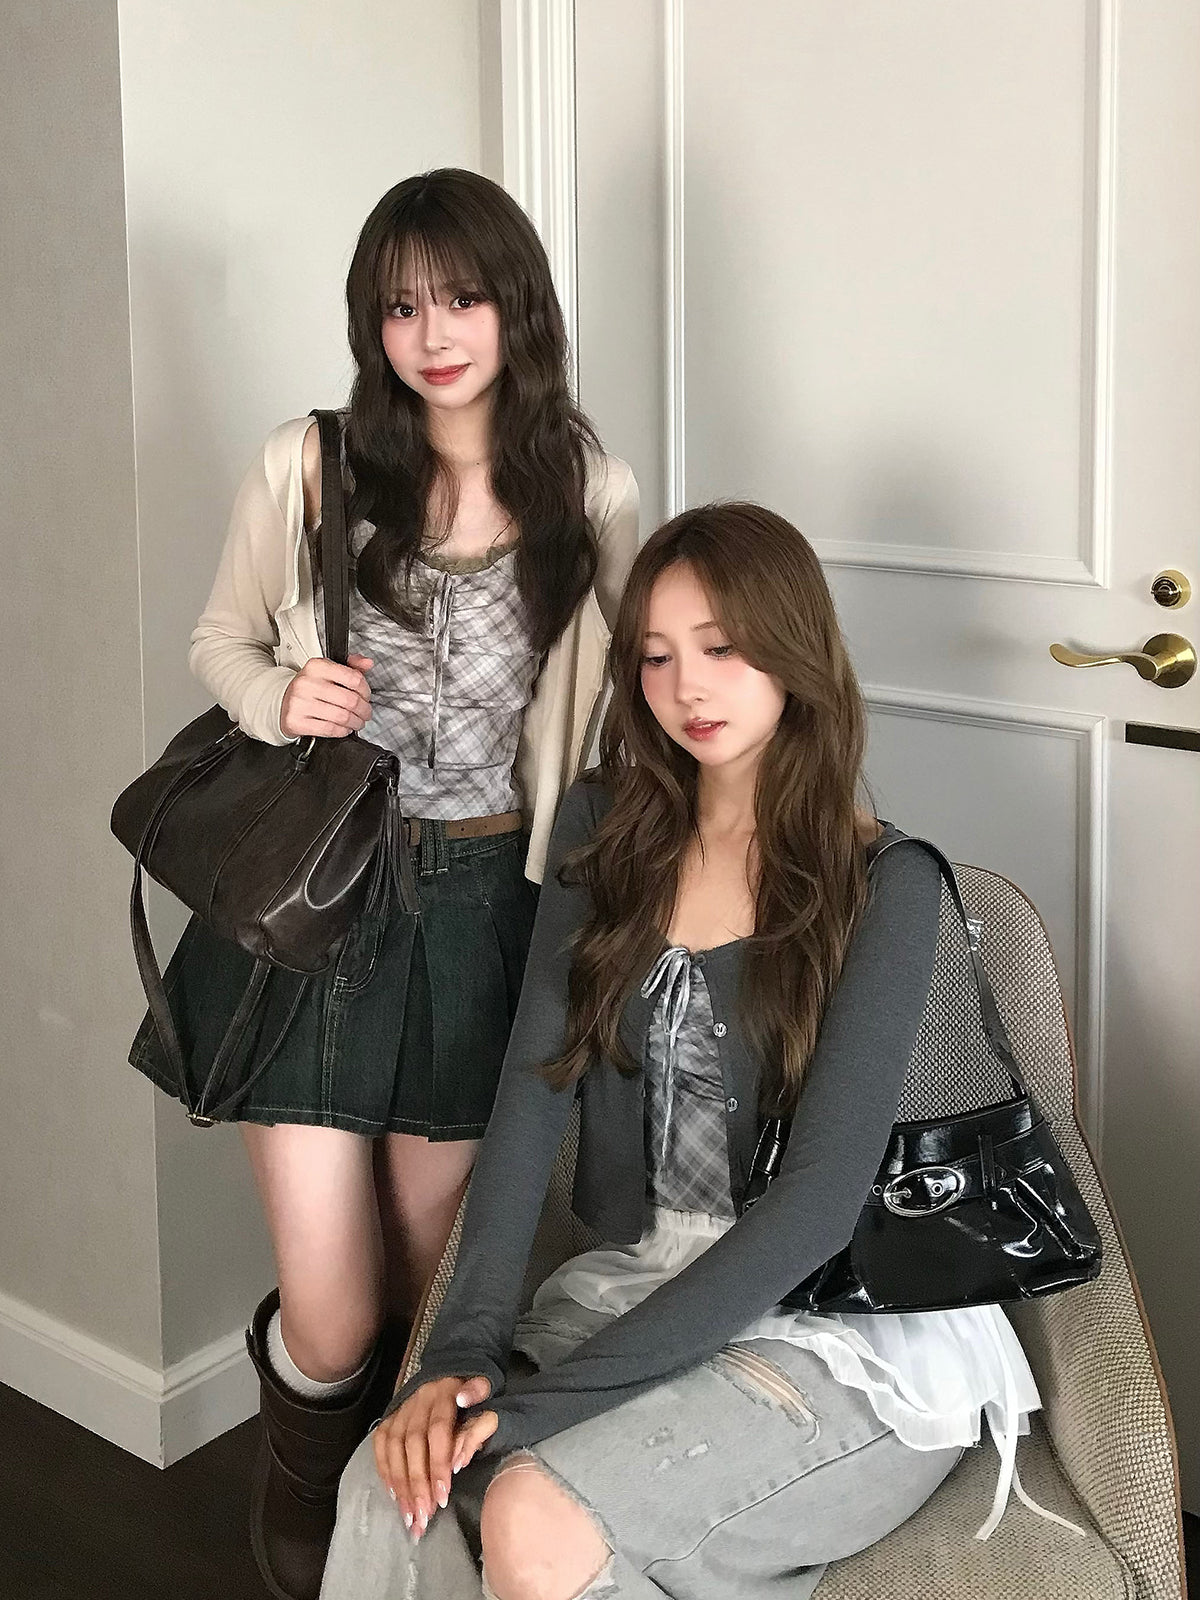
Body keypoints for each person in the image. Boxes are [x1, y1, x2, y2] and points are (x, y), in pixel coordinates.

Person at [319, 502, 1059, 1600]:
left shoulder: (887, 886)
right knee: (390, 1486)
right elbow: (533, 1094)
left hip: (840, 1325)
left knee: (530, 1510)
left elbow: (813, 1212)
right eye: (657, 656)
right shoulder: (603, 831)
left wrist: (530, 1413)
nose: (688, 688)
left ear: (794, 650)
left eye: (722, 647)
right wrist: (458, 1355)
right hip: (641, 1285)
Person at [126, 168, 638, 1600]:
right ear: (373, 325)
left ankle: (379, 1521)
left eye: (462, 297)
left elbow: (627, 697)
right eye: (402, 306)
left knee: (427, 1291)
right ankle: (301, 1475)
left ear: (516, 306)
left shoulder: (588, 489)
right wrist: (279, 697)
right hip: (316, 906)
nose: (434, 333)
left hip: (484, 908)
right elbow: (220, 640)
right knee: (338, 1314)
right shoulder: (312, 464)